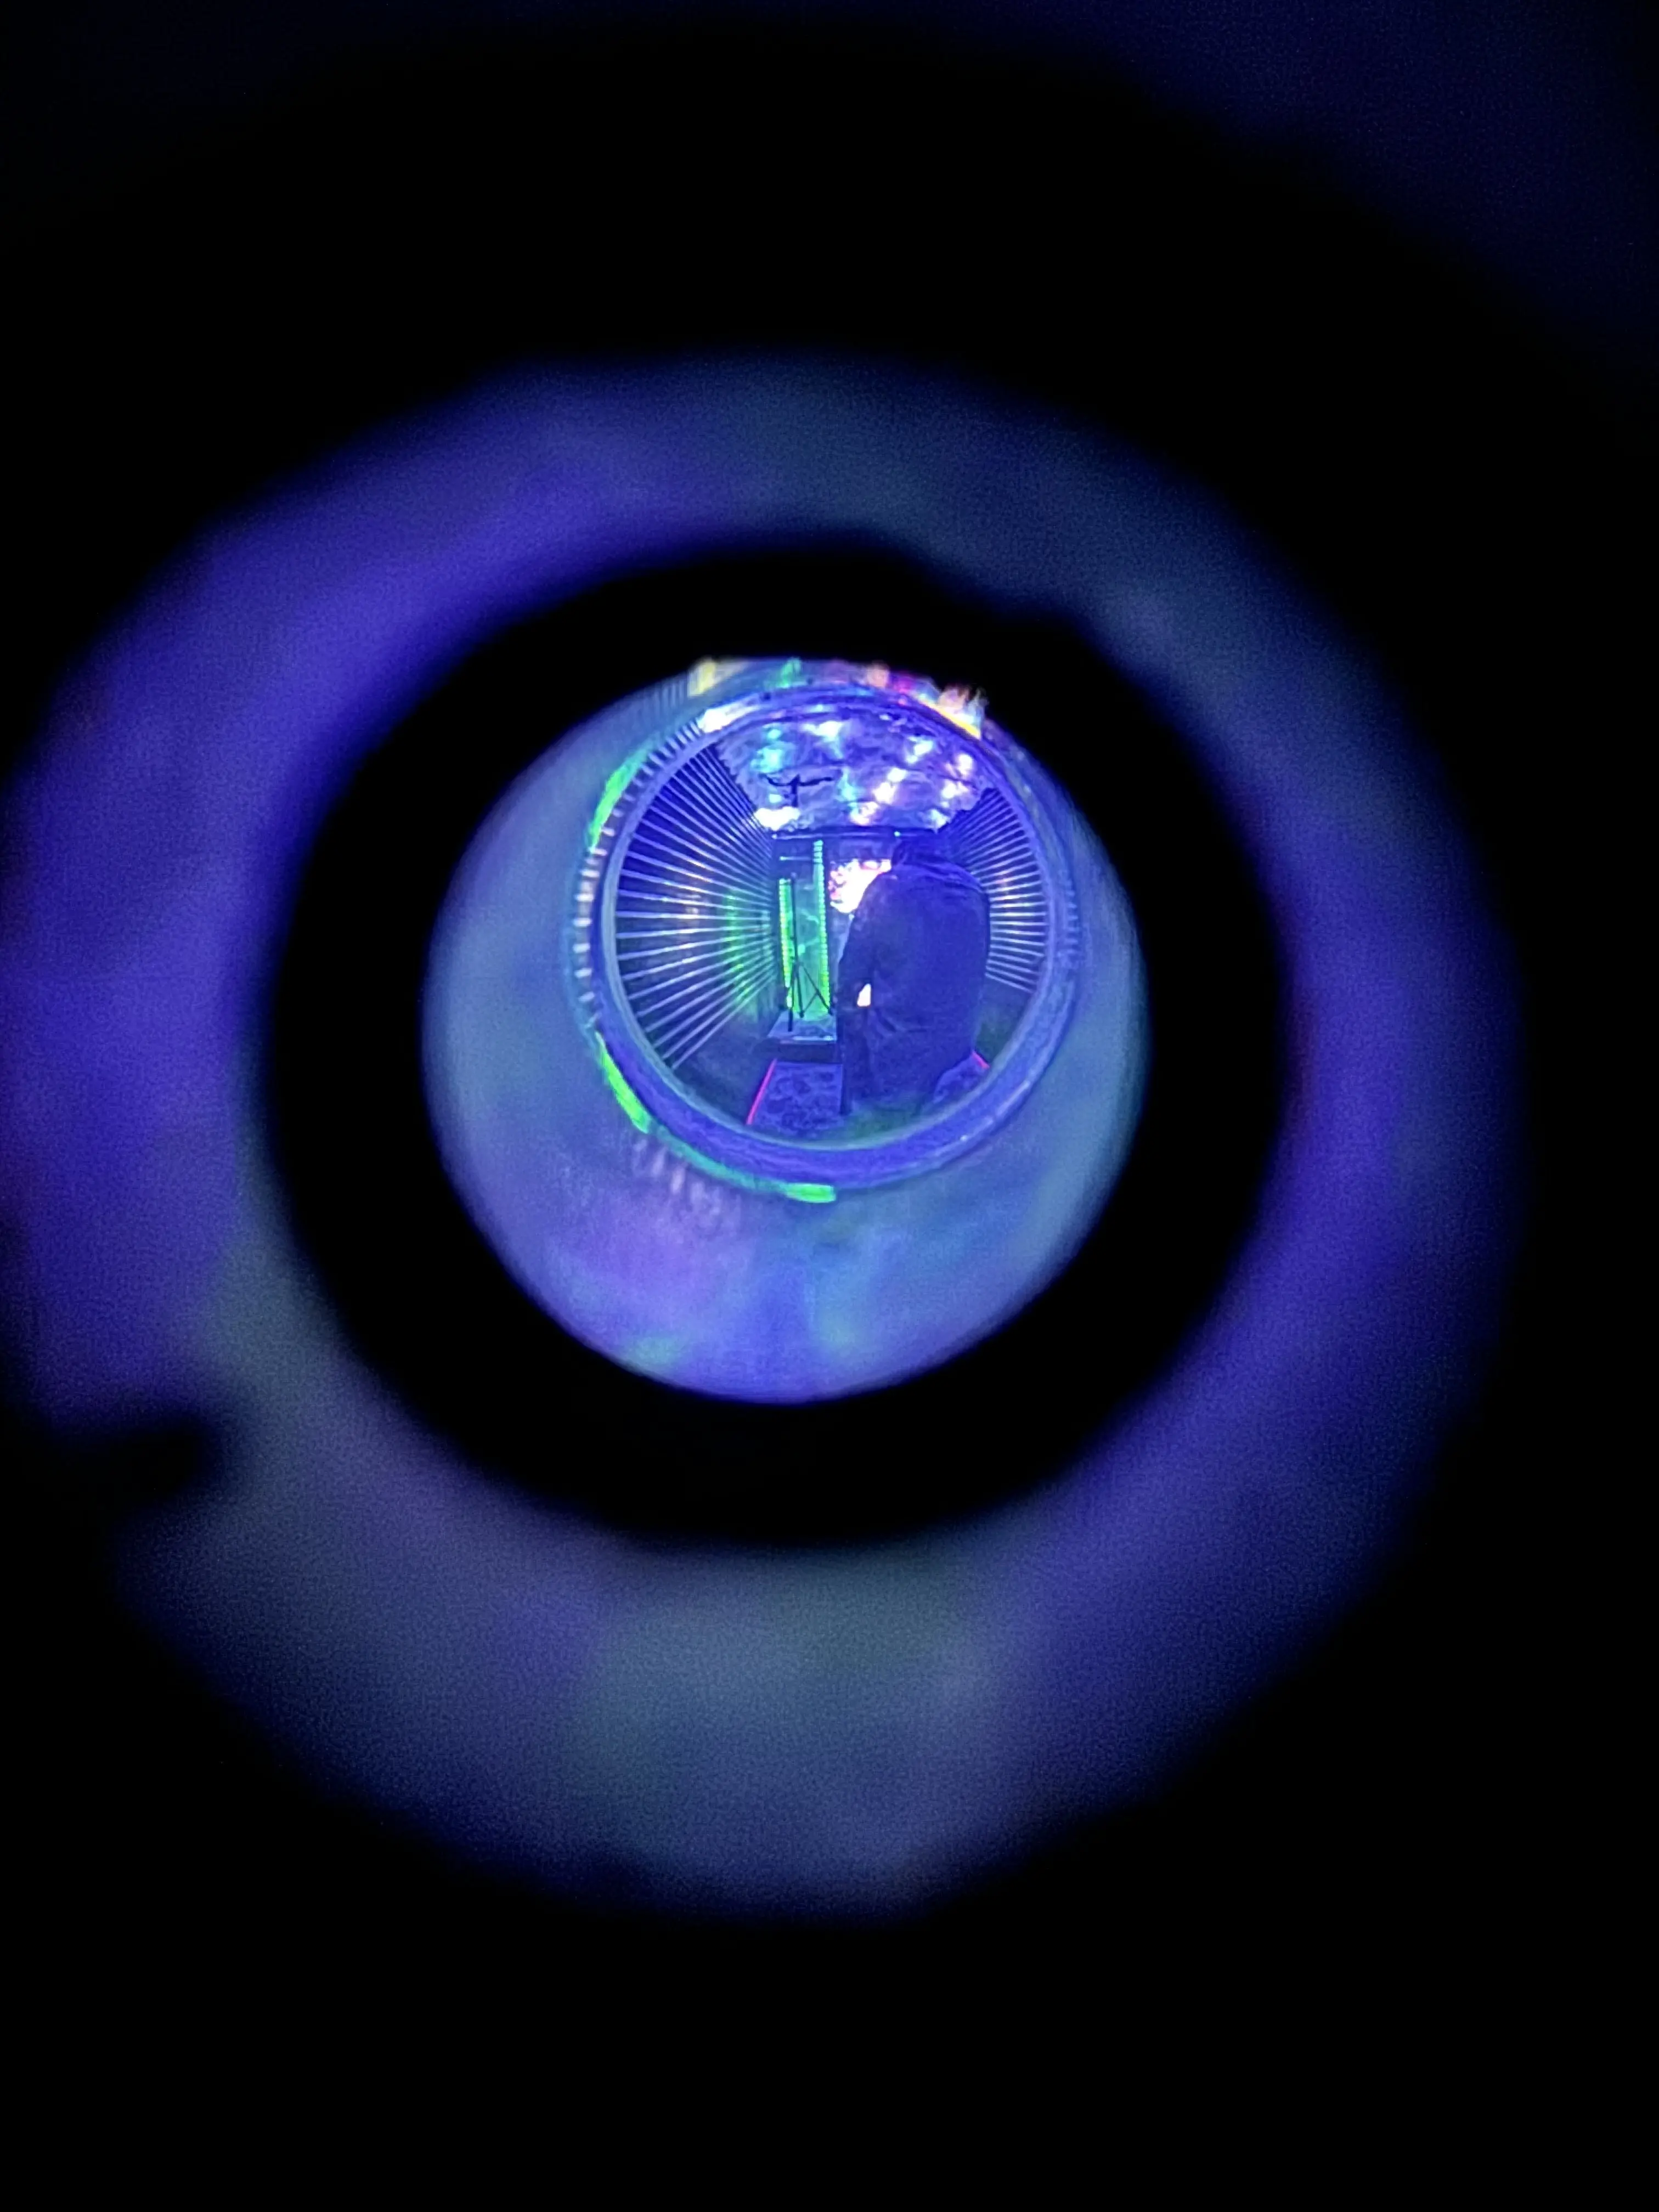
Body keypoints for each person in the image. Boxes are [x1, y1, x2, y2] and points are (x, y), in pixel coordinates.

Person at [834, 837, 991, 1118]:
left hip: (902, 1036)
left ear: (902, 858)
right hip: (960, 1036)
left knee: (894, 1116)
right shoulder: (973, 888)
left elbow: (856, 961)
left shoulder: (888, 886)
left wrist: (845, 1007)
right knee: (944, 1115)